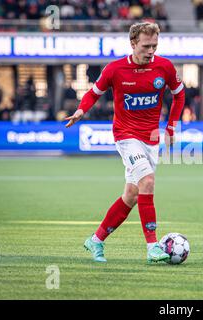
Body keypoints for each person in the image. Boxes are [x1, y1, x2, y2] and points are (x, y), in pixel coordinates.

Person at [65, 22, 185, 263]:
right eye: (146, 46)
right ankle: (152, 246)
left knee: (131, 195)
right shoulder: (115, 69)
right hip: (126, 135)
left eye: (154, 45)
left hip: (151, 140)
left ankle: (95, 240)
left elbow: (179, 94)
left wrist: (171, 126)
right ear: (133, 43)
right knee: (147, 181)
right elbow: (93, 93)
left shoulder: (164, 67)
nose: (151, 51)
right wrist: (80, 111)